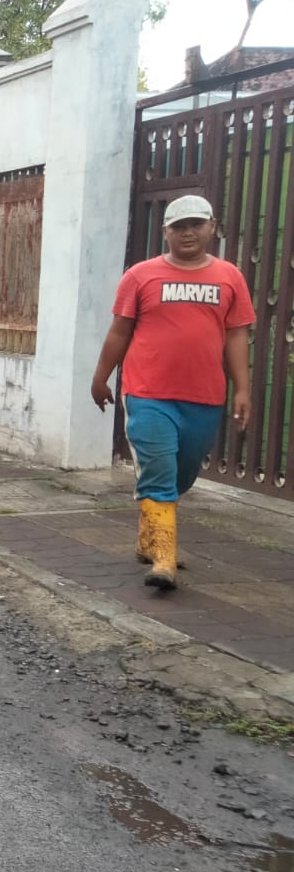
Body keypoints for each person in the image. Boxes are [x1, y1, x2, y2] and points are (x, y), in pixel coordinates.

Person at [90, 194, 254, 591]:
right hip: (148, 394)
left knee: (182, 474)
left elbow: (236, 336)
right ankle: (164, 559)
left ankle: (149, 537)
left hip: (204, 397)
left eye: (196, 224)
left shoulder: (230, 277)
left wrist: (243, 388)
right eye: (179, 226)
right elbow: (120, 331)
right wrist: (101, 376)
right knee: (160, 472)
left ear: (212, 226)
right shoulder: (141, 276)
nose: (188, 232)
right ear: (165, 232)